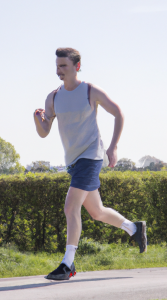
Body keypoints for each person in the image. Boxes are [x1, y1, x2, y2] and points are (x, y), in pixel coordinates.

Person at [33, 48, 147, 281]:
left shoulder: (90, 91)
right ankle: (134, 229)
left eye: (63, 66)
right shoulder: (53, 97)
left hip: (91, 156)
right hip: (73, 162)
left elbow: (118, 113)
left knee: (70, 206)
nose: (58, 70)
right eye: (57, 66)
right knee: (97, 212)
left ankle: (67, 264)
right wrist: (38, 120)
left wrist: (113, 147)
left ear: (77, 66)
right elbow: (44, 133)